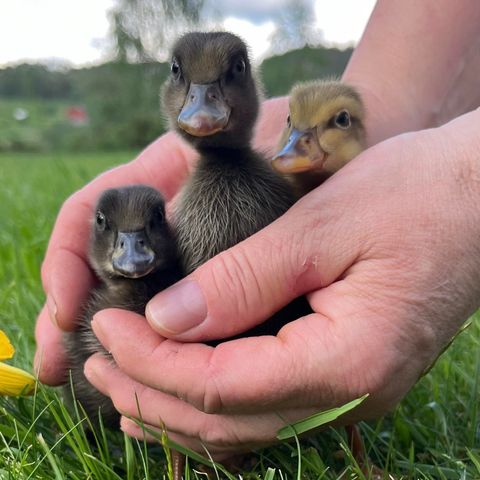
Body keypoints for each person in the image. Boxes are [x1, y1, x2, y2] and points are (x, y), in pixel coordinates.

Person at [35, 0, 480, 458]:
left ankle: (355, 452)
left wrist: (466, 185)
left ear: (249, 82)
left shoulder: (289, 187)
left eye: (227, 76)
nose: (202, 102)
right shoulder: (173, 226)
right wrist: (394, 105)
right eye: (185, 80)